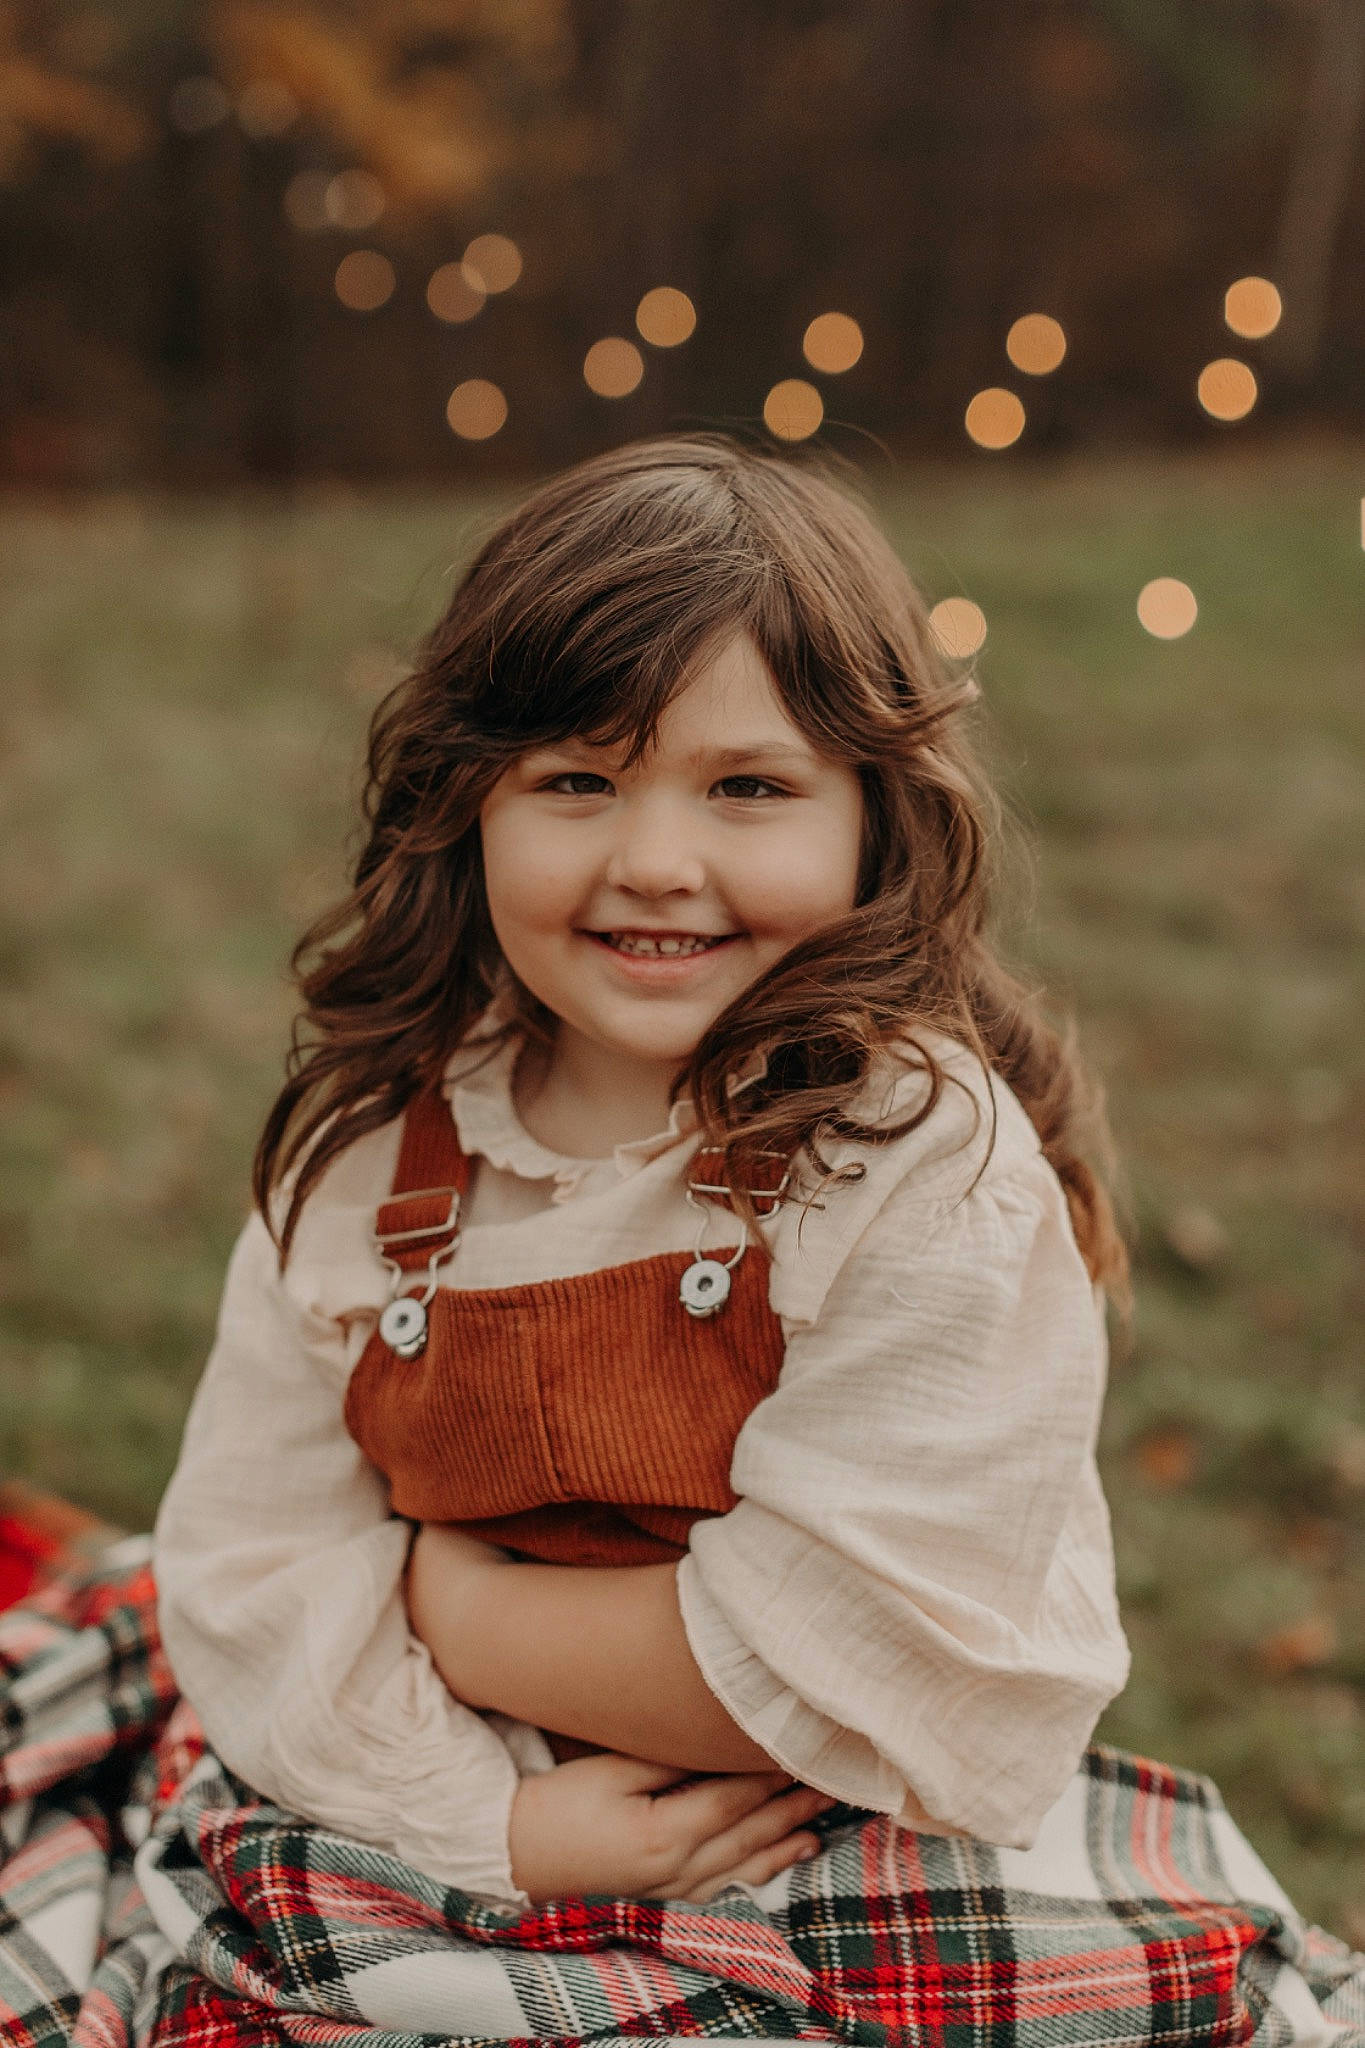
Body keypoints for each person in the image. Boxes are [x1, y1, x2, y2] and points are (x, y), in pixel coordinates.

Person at [154, 431, 1134, 1914]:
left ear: (874, 812)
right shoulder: (373, 1156)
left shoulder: (913, 1164)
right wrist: (490, 1829)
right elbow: (252, 1574)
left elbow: (843, 1659)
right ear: (462, 802)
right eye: (577, 781)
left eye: (746, 788)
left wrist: (442, 1599)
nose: (658, 860)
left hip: (831, 1852)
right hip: (431, 1816)